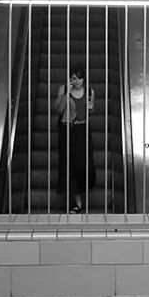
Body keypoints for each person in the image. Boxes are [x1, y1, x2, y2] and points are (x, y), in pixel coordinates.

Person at [54, 62, 96, 213]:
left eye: (79, 78)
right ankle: (77, 203)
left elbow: (90, 111)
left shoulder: (90, 91)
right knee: (69, 165)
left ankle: (84, 190)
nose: (77, 81)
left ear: (84, 79)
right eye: (74, 78)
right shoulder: (64, 89)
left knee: (84, 164)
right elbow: (58, 109)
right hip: (67, 129)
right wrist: (67, 94)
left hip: (83, 130)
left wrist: (91, 108)